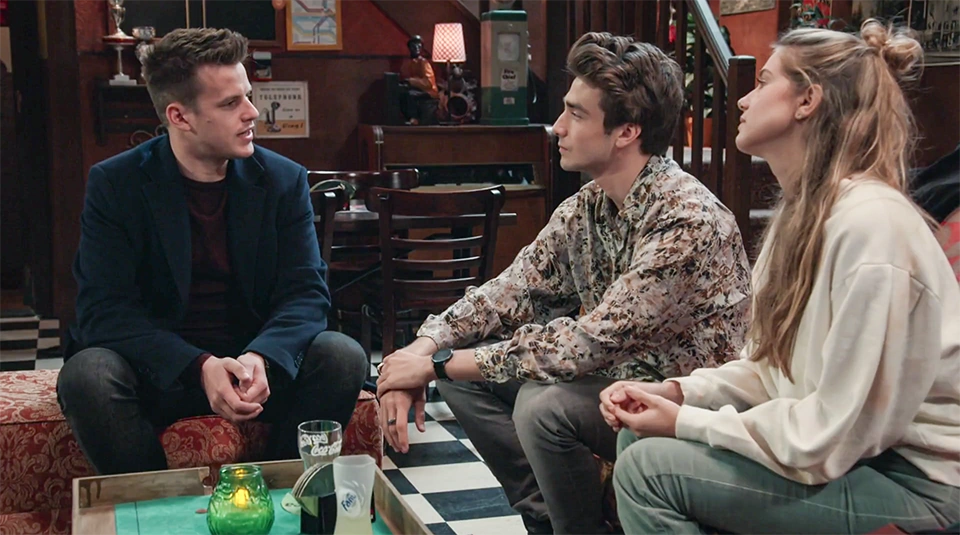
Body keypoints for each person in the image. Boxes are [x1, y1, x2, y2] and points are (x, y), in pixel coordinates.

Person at [375, 32, 752, 535]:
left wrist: (434, 364)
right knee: (464, 373)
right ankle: (548, 520)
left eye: (575, 114)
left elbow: (587, 342)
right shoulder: (587, 207)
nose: (557, 127)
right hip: (612, 388)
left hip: (679, 406)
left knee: (541, 403)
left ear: (626, 131)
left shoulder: (687, 220)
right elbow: (509, 292)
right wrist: (420, 352)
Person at [603, 20, 960, 534]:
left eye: (764, 82)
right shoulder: (802, 217)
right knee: (637, 438)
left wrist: (687, 421)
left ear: (807, 100)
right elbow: (772, 374)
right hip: (860, 458)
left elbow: (835, 436)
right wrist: (679, 393)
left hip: (916, 480)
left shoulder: (872, 226)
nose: (743, 100)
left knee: (649, 470)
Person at [57, 28, 367, 475]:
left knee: (342, 355)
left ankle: (280, 493)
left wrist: (261, 357)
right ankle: (157, 506)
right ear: (179, 116)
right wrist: (198, 366)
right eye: (230, 103)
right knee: (87, 374)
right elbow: (103, 311)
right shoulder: (116, 184)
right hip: (160, 372)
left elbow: (306, 293)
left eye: (248, 96)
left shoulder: (283, 180)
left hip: (253, 369)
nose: (252, 112)